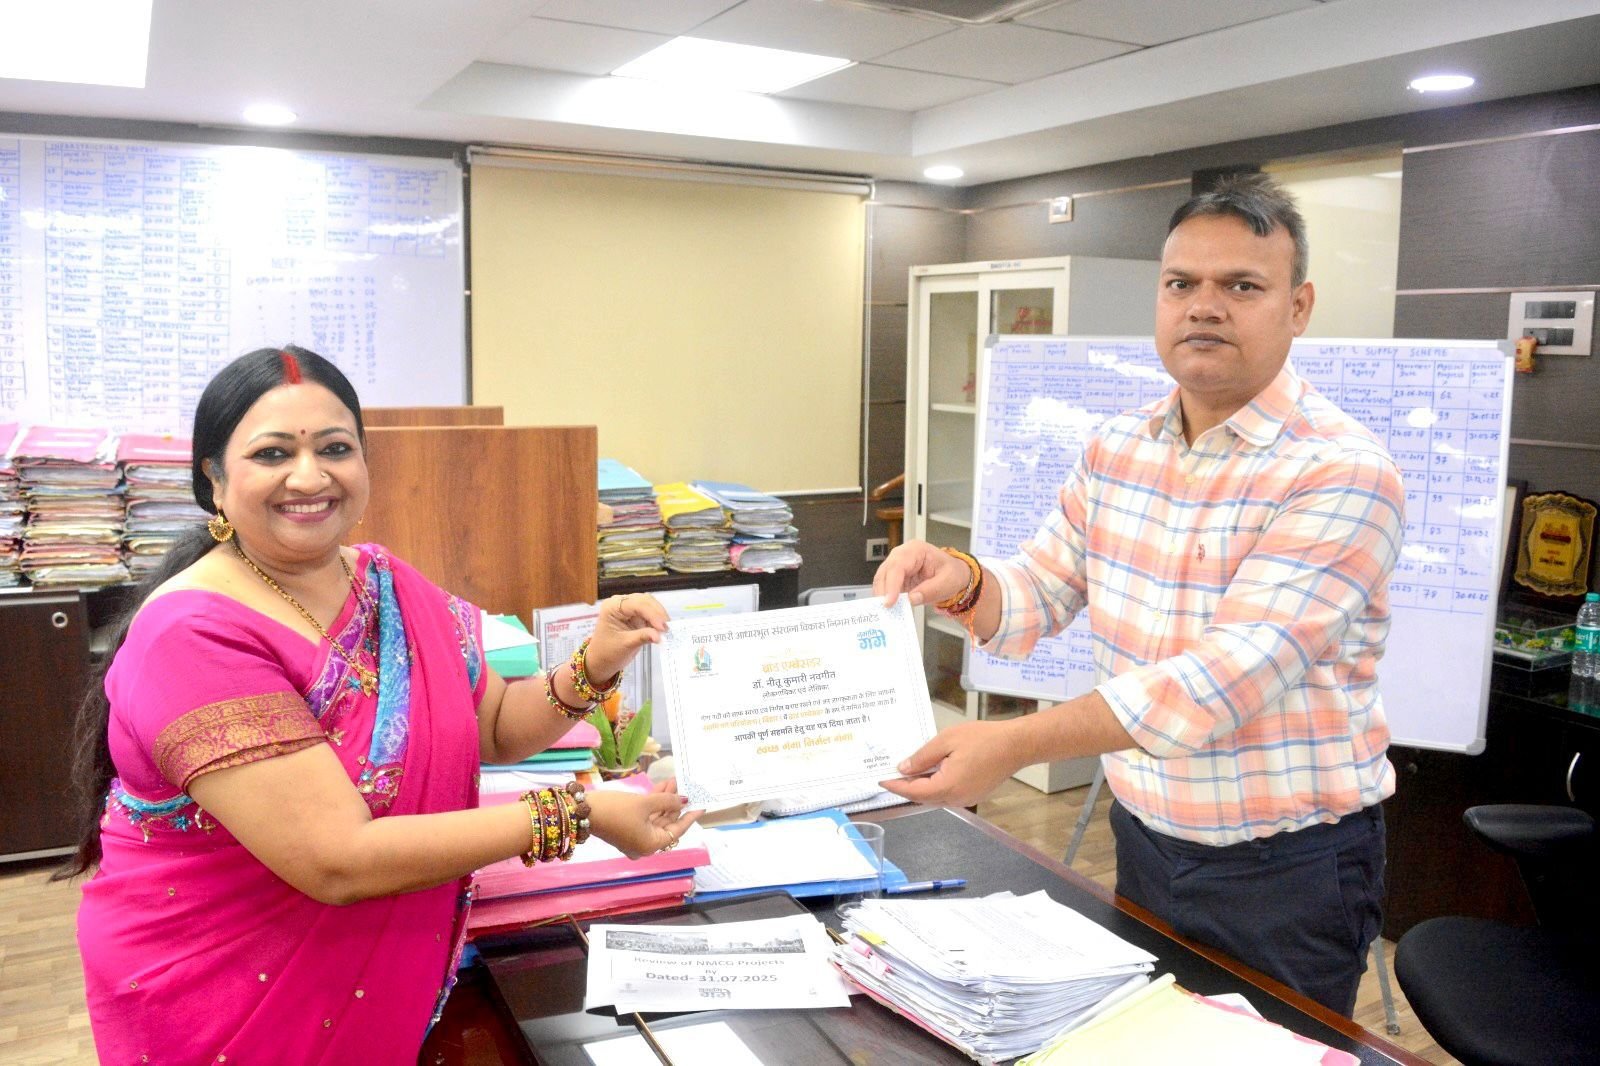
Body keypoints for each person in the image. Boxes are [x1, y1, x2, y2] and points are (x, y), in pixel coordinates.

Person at [58, 346, 702, 1063]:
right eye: (273, 453)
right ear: (213, 478)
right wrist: (578, 813)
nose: (310, 476)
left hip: (367, 975)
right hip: (225, 998)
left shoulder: (387, 585)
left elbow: (496, 728)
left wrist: (598, 660)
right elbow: (337, 859)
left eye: (335, 448)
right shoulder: (191, 634)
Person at [875, 173, 1405, 1016]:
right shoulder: (1117, 448)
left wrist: (1013, 744)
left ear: (1299, 306)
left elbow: (1217, 684)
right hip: (1145, 837)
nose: (1205, 307)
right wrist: (963, 578)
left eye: (1242, 286)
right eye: (1181, 283)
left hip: (1288, 869)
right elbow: (1039, 590)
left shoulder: (1341, 471)